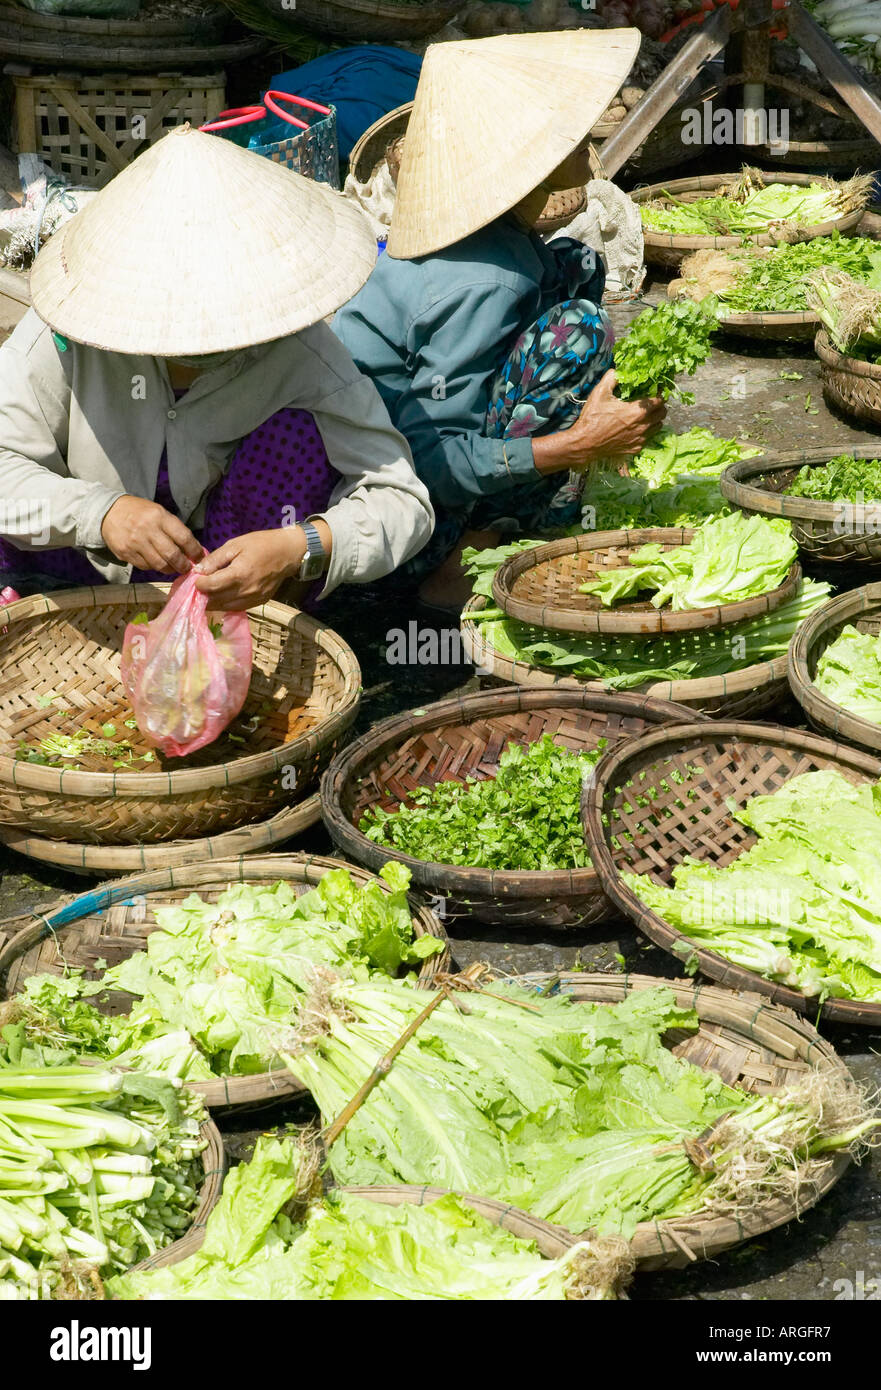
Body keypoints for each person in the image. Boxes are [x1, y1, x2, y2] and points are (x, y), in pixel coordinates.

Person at [0, 124, 434, 610]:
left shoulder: (299, 350)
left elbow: (401, 501)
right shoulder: (66, 328)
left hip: (224, 565)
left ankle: (247, 619)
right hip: (83, 557)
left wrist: (301, 546)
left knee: (297, 436)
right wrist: (102, 514)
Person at [334, 30, 666, 610]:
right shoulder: (488, 280)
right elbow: (431, 461)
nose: (582, 140)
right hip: (389, 524)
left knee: (576, 268)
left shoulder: (503, 246)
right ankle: (463, 561)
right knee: (577, 333)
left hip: (389, 475)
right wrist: (578, 444)